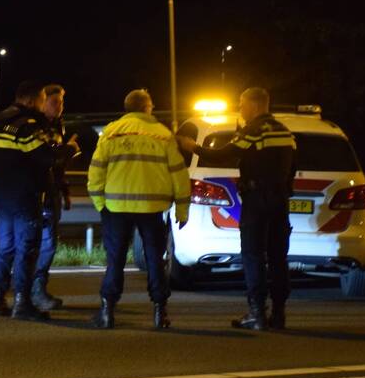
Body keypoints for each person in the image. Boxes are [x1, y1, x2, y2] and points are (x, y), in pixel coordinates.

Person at [176, 87, 296, 330]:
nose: (240, 108)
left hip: (257, 199)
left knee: (253, 255)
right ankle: (279, 313)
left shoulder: (254, 131)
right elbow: (292, 166)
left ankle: (256, 313)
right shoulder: (285, 132)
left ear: (253, 105)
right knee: (277, 257)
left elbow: (223, 155)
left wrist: (193, 148)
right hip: (280, 200)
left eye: (242, 104)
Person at [87, 89, 191, 329]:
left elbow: (96, 172)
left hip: (116, 208)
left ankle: (107, 311)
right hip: (152, 208)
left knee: (115, 260)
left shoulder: (110, 133)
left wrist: (100, 203)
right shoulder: (163, 135)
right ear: (148, 107)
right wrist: (182, 210)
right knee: (155, 260)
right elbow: (179, 175)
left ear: (127, 108)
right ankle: (159, 312)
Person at [0, 80, 79, 320]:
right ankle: (22, 303)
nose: (41, 105)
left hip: (3, 199)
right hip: (25, 198)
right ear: (29, 100)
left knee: (4, 249)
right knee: (27, 250)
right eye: (40, 100)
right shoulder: (27, 127)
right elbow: (46, 158)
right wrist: (69, 149)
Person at [31, 83, 77, 311]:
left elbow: (59, 167)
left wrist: (65, 190)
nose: (60, 107)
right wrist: (68, 149)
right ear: (43, 102)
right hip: (38, 193)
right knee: (44, 243)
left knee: (48, 243)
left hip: (52, 192)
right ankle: (34, 290)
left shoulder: (58, 126)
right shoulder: (36, 127)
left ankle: (34, 288)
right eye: (55, 102)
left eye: (62, 102)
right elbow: (47, 160)